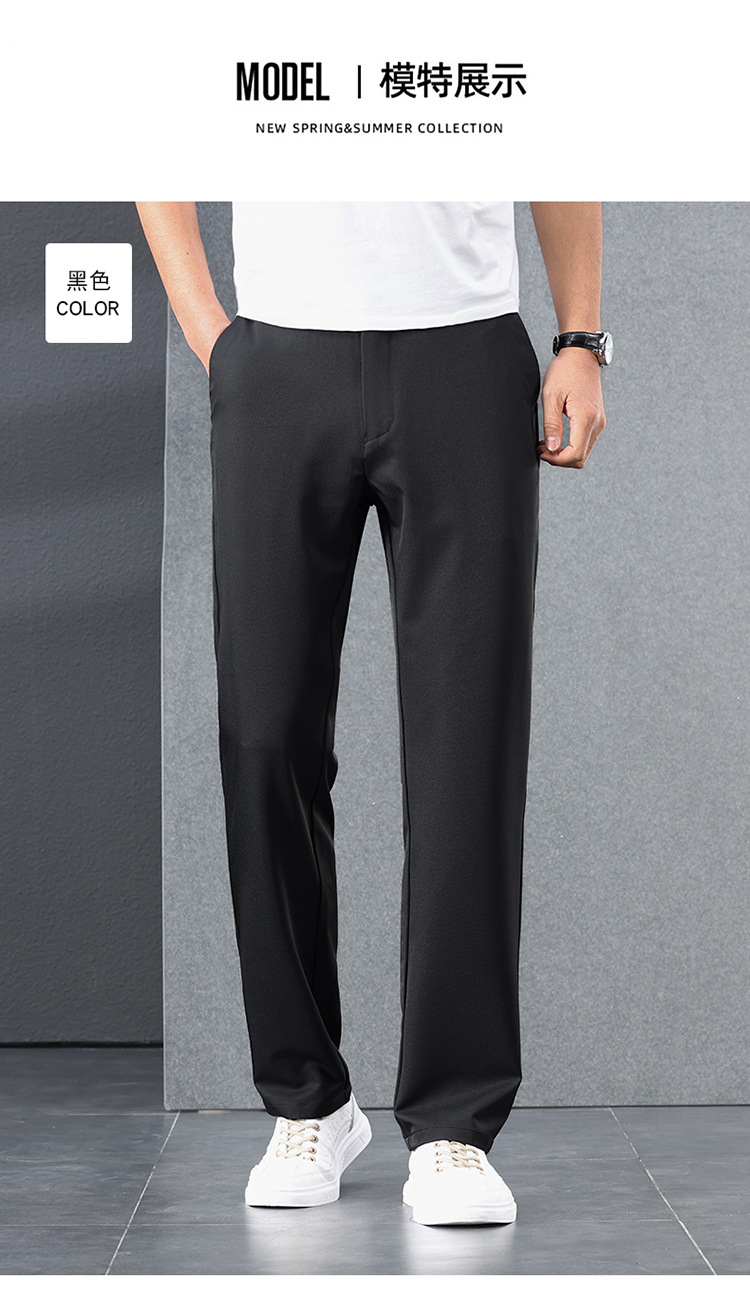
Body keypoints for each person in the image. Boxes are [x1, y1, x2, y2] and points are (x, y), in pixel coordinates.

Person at [136, 201, 608, 1227]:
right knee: (264, 739)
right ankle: (309, 1100)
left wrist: (580, 336)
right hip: (279, 358)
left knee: (469, 748)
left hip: (464, 352)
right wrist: (214, 336)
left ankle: (452, 1127)